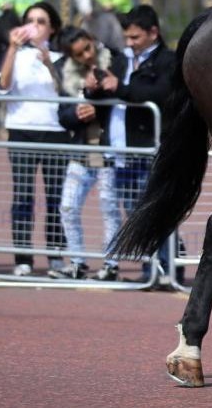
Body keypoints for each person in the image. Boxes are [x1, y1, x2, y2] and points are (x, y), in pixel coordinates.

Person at [92, 4, 177, 284]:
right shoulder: (121, 59)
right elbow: (108, 93)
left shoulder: (167, 60)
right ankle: (152, 265)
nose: (130, 43)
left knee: (155, 210)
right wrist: (91, 90)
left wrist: (121, 88)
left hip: (149, 147)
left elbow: (161, 94)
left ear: (154, 33)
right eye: (127, 38)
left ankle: (165, 266)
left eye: (135, 38)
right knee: (134, 211)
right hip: (119, 148)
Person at [0, 1, 70, 276]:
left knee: (56, 198)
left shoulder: (61, 58)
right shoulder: (15, 54)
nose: (34, 26)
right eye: (30, 20)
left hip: (54, 131)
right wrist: (13, 48)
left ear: (52, 28)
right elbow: (2, 86)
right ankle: (23, 258)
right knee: (23, 194)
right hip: (22, 129)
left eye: (41, 21)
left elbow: (67, 92)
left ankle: (56, 256)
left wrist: (50, 63)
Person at [50, 27, 123, 281]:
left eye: (88, 48)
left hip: (108, 151)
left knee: (109, 208)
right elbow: (63, 115)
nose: (86, 55)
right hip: (81, 149)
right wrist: (76, 114)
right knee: (68, 206)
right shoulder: (66, 73)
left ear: (93, 40)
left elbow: (122, 97)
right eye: (79, 54)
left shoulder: (115, 60)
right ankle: (77, 262)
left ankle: (111, 264)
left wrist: (96, 105)